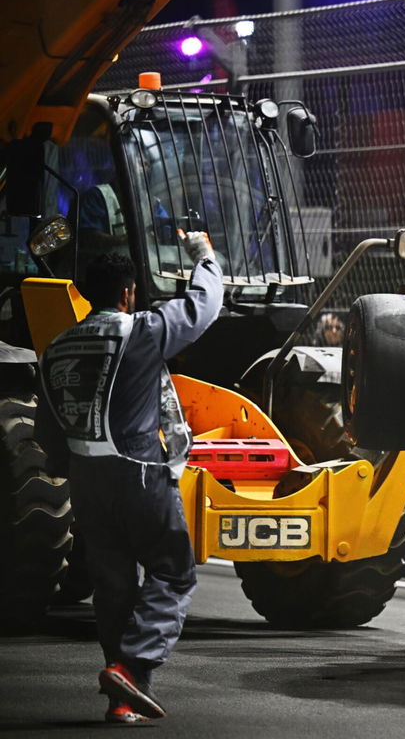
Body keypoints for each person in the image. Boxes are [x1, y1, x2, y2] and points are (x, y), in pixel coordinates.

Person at [34, 233, 223, 723]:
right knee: (173, 570)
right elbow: (203, 306)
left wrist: (68, 470)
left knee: (113, 585)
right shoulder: (141, 331)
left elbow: (48, 429)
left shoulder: (55, 348)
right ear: (127, 293)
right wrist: (203, 255)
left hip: (86, 480)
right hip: (139, 473)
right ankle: (134, 664)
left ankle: (123, 696)